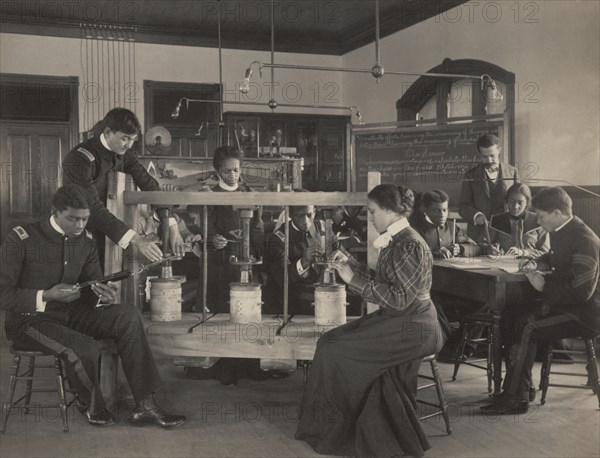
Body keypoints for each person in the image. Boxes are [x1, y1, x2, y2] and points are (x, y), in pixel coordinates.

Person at [0, 185, 186, 428]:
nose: (79, 226)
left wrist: (103, 295)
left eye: (85, 219)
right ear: (54, 212)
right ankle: (92, 405)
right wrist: (45, 295)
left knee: (127, 315)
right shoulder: (21, 237)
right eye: (73, 219)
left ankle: (146, 405)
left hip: (71, 313)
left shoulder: (86, 240)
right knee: (85, 348)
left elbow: (92, 286)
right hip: (29, 321)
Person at [295, 184, 444, 457]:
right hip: (399, 320)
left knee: (334, 349)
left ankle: (337, 431)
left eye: (372, 211)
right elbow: (388, 283)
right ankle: (328, 427)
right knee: (330, 340)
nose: (370, 216)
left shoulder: (409, 243)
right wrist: (351, 264)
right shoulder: (396, 239)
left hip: (415, 326)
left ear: (389, 210)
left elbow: (400, 299)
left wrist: (353, 280)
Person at [481, 187, 600, 414]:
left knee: (527, 326)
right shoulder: (563, 230)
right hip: (566, 305)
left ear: (557, 213)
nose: (538, 221)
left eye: (542, 216)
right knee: (510, 315)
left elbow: (581, 292)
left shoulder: (585, 239)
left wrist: (544, 286)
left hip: (586, 313)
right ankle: (521, 389)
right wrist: (536, 262)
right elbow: (556, 258)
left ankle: (514, 398)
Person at [62, 108, 185, 265]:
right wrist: (136, 239)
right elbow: (92, 207)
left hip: (110, 234)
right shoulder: (80, 159)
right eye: (125, 139)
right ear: (107, 132)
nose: (129, 145)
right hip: (80, 236)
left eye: (133, 139)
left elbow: (150, 185)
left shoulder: (123, 153)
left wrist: (171, 224)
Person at [411, 189, 489, 351]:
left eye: (445, 210)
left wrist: (460, 248)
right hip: (428, 289)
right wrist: (434, 254)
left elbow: (476, 248)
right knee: (433, 307)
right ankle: (446, 347)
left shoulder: (451, 228)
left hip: (454, 287)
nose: (442, 215)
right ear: (425, 210)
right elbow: (410, 257)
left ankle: (465, 346)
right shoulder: (415, 229)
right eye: (436, 211)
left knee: (486, 301)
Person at [264, 203, 341, 315]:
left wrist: (339, 257)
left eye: (309, 215)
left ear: (314, 211)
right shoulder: (277, 239)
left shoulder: (323, 228)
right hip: (294, 301)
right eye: (299, 216)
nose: (305, 221)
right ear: (290, 214)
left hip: (324, 292)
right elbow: (280, 277)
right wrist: (303, 262)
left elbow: (341, 251)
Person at [459, 134, 519, 241]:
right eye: (484, 157)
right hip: (480, 234)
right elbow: (463, 206)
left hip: (506, 233)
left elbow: (520, 200)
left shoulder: (512, 172)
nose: (489, 160)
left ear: (499, 150)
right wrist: (476, 215)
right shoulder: (469, 176)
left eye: (492, 156)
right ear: (479, 154)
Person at [488, 182, 549, 257]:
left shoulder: (539, 220)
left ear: (527, 203)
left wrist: (525, 253)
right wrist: (490, 249)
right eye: (512, 202)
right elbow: (484, 245)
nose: (516, 206)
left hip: (531, 265)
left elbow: (546, 254)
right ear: (507, 201)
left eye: (520, 203)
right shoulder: (497, 220)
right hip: (503, 264)